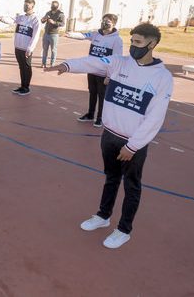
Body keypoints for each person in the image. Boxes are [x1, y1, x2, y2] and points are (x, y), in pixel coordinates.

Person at [46, 22, 172, 249]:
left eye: (138, 42)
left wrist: (133, 146)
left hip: (132, 143)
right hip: (109, 136)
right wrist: (67, 65)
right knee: (111, 178)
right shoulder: (119, 63)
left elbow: (155, 118)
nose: (133, 46)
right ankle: (103, 216)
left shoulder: (162, 78)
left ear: (152, 44)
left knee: (132, 186)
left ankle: (123, 230)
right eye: (132, 41)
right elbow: (93, 62)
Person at [66, 13, 124, 127]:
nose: (104, 23)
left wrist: (110, 75)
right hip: (92, 71)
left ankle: (101, 117)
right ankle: (90, 114)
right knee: (92, 93)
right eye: (103, 20)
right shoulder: (96, 34)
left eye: (108, 21)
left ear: (114, 24)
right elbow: (83, 35)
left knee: (102, 96)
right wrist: (70, 34)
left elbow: (117, 59)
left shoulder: (117, 40)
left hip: (104, 74)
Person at [0, 0, 41, 95]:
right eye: (24, 5)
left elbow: (36, 35)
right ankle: (22, 86)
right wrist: (1, 18)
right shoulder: (21, 17)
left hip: (26, 49)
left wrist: (30, 48)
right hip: (18, 47)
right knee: (21, 67)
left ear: (32, 6)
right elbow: (11, 20)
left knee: (26, 67)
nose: (25, 7)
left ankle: (26, 87)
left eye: (27, 5)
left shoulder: (35, 19)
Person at [40, 1, 65, 68]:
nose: (52, 7)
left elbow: (62, 24)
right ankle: (43, 63)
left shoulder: (60, 14)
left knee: (53, 50)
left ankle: (52, 64)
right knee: (45, 49)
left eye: (54, 6)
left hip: (54, 35)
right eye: (52, 5)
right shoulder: (48, 12)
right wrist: (45, 18)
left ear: (57, 7)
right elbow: (42, 21)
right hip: (46, 34)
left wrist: (54, 22)